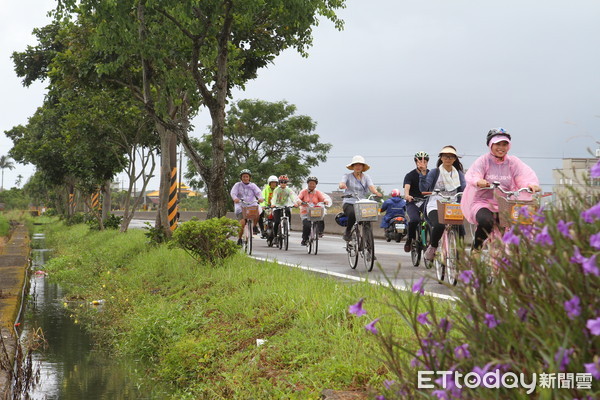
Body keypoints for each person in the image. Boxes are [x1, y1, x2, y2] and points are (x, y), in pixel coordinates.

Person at [461, 128, 540, 251]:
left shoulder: (512, 162)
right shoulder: (483, 160)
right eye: (497, 144)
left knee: (517, 226)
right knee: (486, 222)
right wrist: (479, 181)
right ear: (490, 144)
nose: (501, 147)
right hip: (483, 203)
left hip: (505, 204)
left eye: (504, 144)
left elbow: (522, 176)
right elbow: (474, 174)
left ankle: (512, 257)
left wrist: (531, 184)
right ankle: (476, 249)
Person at [419, 146, 466, 261]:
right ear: (441, 158)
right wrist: (423, 172)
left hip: (453, 204)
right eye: (445, 156)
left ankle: (459, 255)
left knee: (460, 229)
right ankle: (433, 247)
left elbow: (464, 187)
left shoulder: (458, 174)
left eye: (451, 156)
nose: (448, 159)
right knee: (439, 225)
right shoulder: (435, 172)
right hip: (435, 204)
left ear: (455, 159)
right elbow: (424, 187)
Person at [339, 155, 383, 241]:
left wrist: (376, 192)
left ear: (363, 167)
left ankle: (368, 245)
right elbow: (341, 183)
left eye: (360, 165)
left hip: (361, 202)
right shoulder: (347, 176)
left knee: (368, 217)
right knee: (352, 214)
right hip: (349, 201)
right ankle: (348, 231)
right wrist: (342, 185)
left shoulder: (366, 177)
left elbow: (371, 187)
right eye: (356, 165)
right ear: (353, 166)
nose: (358, 167)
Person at [403, 151, 430, 253]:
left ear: (427, 162)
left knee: (432, 220)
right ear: (416, 162)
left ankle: (432, 242)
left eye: (424, 161)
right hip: (413, 201)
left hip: (427, 201)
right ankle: (409, 239)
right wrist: (407, 195)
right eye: (419, 161)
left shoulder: (431, 174)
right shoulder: (410, 175)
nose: (422, 163)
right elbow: (407, 187)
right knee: (414, 220)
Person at [230, 169, 264, 246]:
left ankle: (255, 226)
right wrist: (235, 198)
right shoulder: (237, 185)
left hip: (251, 204)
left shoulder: (253, 185)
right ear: (241, 178)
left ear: (249, 178)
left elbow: (258, 192)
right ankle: (239, 238)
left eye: (247, 176)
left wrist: (260, 198)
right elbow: (233, 193)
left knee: (258, 211)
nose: (245, 178)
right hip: (241, 205)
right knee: (242, 223)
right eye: (243, 177)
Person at [298, 176, 332, 246]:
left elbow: (323, 198)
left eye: (313, 184)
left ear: (316, 185)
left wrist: (325, 201)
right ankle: (305, 239)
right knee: (307, 225)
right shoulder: (303, 192)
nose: (312, 185)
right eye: (310, 183)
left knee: (321, 218)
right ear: (307, 184)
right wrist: (299, 202)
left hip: (315, 211)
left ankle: (320, 232)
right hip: (305, 212)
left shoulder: (317, 192)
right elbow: (298, 198)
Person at [271, 175, 299, 243]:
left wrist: (295, 203)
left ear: (286, 183)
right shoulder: (276, 190)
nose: (283, 184)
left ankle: (288, 224)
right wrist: (273, 204)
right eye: (281, 182)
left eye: (285, 182)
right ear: (279, 183)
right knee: (277, 222)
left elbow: (292, 196)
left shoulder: (288, 190)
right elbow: (274, 197)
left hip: (285, 205)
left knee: (288, 211)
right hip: (277, 206)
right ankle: (275, 237)